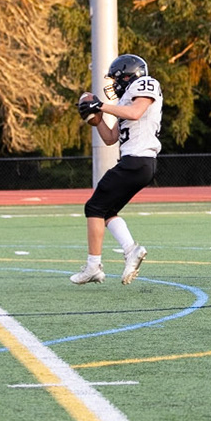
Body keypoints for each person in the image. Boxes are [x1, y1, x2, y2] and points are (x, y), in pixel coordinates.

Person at [71, 54, 163, 285]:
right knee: (106, 211)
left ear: (128, 76)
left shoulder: (146, 83)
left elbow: (135, 113)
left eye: (116, 78)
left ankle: (93, 266)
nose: (113, 84)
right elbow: (111, 138)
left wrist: (100, 105)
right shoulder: (124, 101)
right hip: (136, 162)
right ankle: (131, 250)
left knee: (93, 207)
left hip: (138, 160)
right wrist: (96, 119)